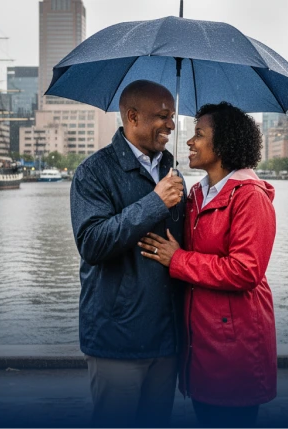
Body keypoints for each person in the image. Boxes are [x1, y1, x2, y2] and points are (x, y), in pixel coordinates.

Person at [139, 102, 277, 428]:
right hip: (200, 341)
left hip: (235, 343)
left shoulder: (249, 197)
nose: (189, 141)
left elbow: (245, 270)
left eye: (199, 134)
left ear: (224, 143)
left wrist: (178, 259)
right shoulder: (197, 195)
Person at [70, 80, 186, 428]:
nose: (171, 125)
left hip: (166, 339)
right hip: (116, 340)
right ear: (132, 117)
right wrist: (154, 202)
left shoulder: (172, 171)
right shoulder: (93, 172)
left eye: (173, 117)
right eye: (162, 116)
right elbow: (92, 243)